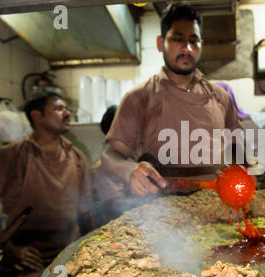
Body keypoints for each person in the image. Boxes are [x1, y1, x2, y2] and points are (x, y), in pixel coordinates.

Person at [101, 3, 243, 197]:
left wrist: (237, 171)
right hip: (162, 212)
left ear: (202, 44)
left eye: (194, 41)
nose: (187, 48)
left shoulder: (220, 97)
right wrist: (130, 170)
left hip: (218, 206)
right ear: (161, 43)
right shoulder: (139, 98)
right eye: (178, 39)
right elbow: (110, 155)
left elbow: (237, 144)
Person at [0, 93, 94, 277]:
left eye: (66, 108)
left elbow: (86, 208)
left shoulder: (77, 156)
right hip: (26, 258)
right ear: (37, 116)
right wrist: (11, 249)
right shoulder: (11, 155)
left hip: (68, 255)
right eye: (58, 108)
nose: (67, 113)